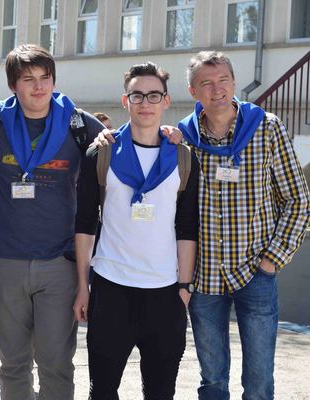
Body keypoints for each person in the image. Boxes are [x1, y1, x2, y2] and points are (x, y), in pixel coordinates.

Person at [0, 44, 105, 400]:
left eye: (45, 78)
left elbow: (129, 145)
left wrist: (169, 134)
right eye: (28, 79)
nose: (39, 87)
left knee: (56, 364)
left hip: (60, 263)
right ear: (13, 85)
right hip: (4, 261)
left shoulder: (78, 123)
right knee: (13, 365)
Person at [178, 51, 309, 399]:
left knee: (259, 380)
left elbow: (298, 199)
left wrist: (271, 262)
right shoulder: (185, 138)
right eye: (206, 83)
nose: (217, 89)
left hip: (256, 273)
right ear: (193, 91)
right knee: (212, 380)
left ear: (234, 82)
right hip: (204, 278)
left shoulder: (267, 128)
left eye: (223, 80)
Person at [74, 62, 199, 399]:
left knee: (160, 392)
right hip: (111, 288)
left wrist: (184, 288)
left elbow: (187, 227)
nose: (146, 102)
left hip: (165, 293)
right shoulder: (101, 153)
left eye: (154, 95)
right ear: (125, 100)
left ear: (166, 101)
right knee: (102, 391)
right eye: (137, 95)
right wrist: (83, 286)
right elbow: (85, 224)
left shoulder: (183, 157)